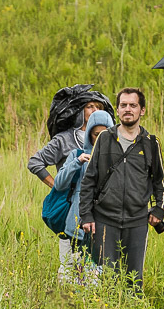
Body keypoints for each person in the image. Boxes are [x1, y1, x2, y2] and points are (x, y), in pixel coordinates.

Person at [79, 87, 164, 291]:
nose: (128, 109)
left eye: (133, 105)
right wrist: (86, 215)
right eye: (123, 105)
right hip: (104, 220)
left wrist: (159, 210)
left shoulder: (151, 143)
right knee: (106, 278)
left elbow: (160, 182)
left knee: (134, 280)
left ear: (142, 110)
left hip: (137, 221)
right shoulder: (104, 138)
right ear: (117, 110)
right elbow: (89, 180)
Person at [28, 96, 110, 272]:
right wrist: (58, 188)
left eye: (98, 107)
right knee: (69, 264)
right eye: (90, 106)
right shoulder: (64, 140)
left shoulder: (110, 142)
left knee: (96, 267)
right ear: (79, 111)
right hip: (71, 209)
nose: (95, 110)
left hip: (99, 213)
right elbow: (35, 162)